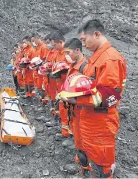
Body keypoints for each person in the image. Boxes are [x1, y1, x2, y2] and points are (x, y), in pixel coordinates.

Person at [62, 19, 127, 178]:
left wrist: (76, 101)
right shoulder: (97, 57)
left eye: (84, 40)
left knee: (102, 163)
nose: (83, 44)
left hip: (101, 122)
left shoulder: (110, 59)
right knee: (91, 154)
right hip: (90, 117)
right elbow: (90, 86)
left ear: (97, 34)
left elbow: (109, 96)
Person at [62, 38, 89, 176]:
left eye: (68, 52)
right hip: (75, 110)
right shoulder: (74, 65)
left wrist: (73, 100)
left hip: (82, 110)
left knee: (83, 141)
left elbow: (89, 92)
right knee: (78, 138)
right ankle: (82, 164)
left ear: (77, 50)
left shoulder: (85, 67)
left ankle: (86, 169)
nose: (67, 55)